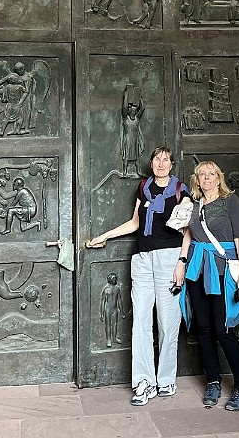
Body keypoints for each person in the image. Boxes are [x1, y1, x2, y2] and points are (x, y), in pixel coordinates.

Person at [88, 147, 191, 405]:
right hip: (143, 259)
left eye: (165, 160)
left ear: (172, 164)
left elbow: (188, 231)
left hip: (169, 259)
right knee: (141, 321)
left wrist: (181, 263)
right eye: (157, 159)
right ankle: (144, 382)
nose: (161, 163)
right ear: (151, 163)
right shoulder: (144, 187)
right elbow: (135, 223)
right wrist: (105, 235)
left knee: (167, 322)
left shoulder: (180, 190)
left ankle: (166, 379)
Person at [178, 160, 239, 411]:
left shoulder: (231, 201)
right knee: (204, 329)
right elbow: (188, 234)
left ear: (219, 178)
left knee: (224, 330)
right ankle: (212, 381)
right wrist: (181, 263)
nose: (207, 178)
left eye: (211, 174)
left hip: (223, 271)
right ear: (197, 180)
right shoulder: (193, 205)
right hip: (198, 270)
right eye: (202, 174)